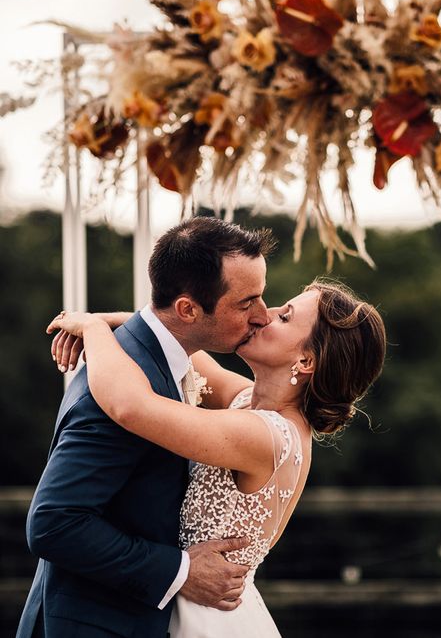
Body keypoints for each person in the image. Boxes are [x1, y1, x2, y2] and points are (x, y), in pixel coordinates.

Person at [44, 277, 386, 637]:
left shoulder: (267, 437)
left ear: (305, 360)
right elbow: (170, 340)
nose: (263, 315)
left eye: (284, 318)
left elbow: (129, 406)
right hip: (180, 603)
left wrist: (93, 329)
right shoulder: (249, 401)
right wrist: (102, 319)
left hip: (205, 617)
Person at [17, 217, 277, 638]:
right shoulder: (119, 384)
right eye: (247, 303)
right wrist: (181, 571)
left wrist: (97, 325)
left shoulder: (161, 362)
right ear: (188, 309)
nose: (262, 317)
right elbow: (53, 523)